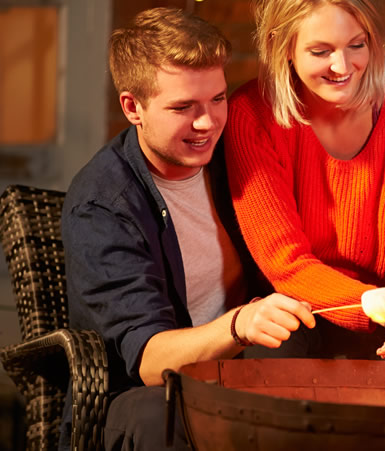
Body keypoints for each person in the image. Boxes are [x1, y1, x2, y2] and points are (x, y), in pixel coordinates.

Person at [61, 8, 317, 450]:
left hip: (242, 370)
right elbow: (149, 359)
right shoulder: (101, 205)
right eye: (183, 107)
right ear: (132, 107)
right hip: (145, 394)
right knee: (157, 413)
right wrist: (239, 324)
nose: (207, 123)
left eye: (217, 99)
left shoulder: (235, 149)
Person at [224, 0, 385, 359]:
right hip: (293, 311)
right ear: (284, 47)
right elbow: (286, 262)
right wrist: (373, 308)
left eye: (357, 45)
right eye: (320, 51)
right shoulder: (251, 114)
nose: (342, 66)